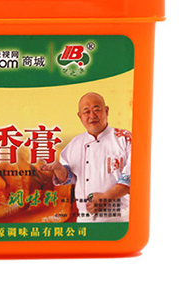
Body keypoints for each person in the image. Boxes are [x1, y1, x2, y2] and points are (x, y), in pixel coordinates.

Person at [41, 92, 131, 222]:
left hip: (119, 217)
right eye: (86, 112)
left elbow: (131, 178)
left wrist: (106, 197)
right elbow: (69, 178)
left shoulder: (124, 138)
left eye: (97, 110)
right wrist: (58, 168)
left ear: (106, 111)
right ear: (80, 116)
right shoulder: (75, 143)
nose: (92, 116)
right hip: (85, 218)